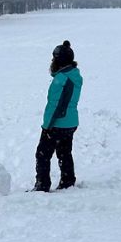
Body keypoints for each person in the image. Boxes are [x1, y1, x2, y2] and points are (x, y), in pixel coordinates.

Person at [32, 40, 83, 192]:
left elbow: (55, 106)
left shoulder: (61, 79)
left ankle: (42, 185)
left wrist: (47, 127)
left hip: (57, 124)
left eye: (54, 59)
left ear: (60, 61)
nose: (52, 61)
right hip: (71, 122)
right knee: (64, 153)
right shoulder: (75, 75)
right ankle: (67, 182)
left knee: (42, 154)